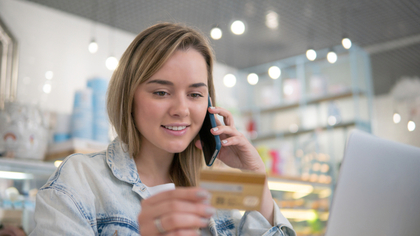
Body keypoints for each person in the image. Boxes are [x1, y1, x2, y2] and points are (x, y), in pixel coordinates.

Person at [30, 23, 295, 236]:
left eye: (195, 94)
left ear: (210, 104)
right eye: (161, 92)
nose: (181, 109)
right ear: (128, 97)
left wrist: (255, 179)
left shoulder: (220, 188)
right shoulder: (82, 180)